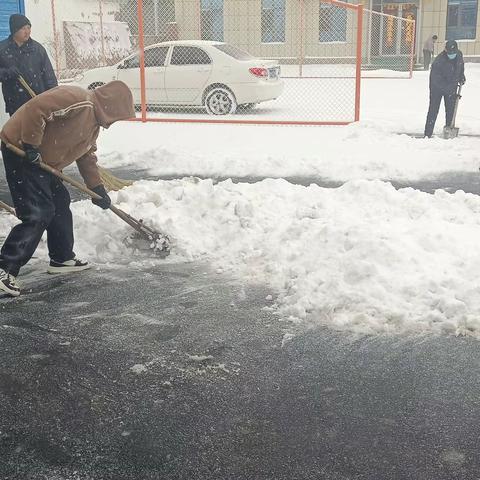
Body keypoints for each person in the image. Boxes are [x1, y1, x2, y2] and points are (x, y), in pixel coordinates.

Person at [0, 81, 135, 297]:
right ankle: (5, 269)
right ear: (112, 106)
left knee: (60, 202)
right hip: (21, 151)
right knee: (39, 212)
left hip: (43, 162)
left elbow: (86, 155)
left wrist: (97, 188)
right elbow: (37, 108)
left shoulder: (93, 126)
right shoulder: (78, 98)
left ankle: (61, 258)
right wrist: (31, 145)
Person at [0, 14, 58, 116]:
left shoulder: (37, 49)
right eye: (23, 28)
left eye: (29, 27)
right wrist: (6, 73)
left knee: (37, 131)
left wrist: (54, 97)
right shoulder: (2, 49)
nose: (27, 31)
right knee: (19, 131)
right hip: (15, 104)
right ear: (14, 30)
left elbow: (49, 76)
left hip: (37, 101)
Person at [424, 40, 465, 139]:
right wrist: (448, 89)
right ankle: (428, 133)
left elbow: (460, 67)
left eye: (454, 52)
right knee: (434, 109)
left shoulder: (459, 55)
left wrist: (461, 76)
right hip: (436, 88)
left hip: (451, 86)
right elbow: (436, 80)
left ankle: (448, 128)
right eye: (450, 53)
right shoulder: (438, 62)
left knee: (451, 109)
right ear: (445, 50)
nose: (452, 54)